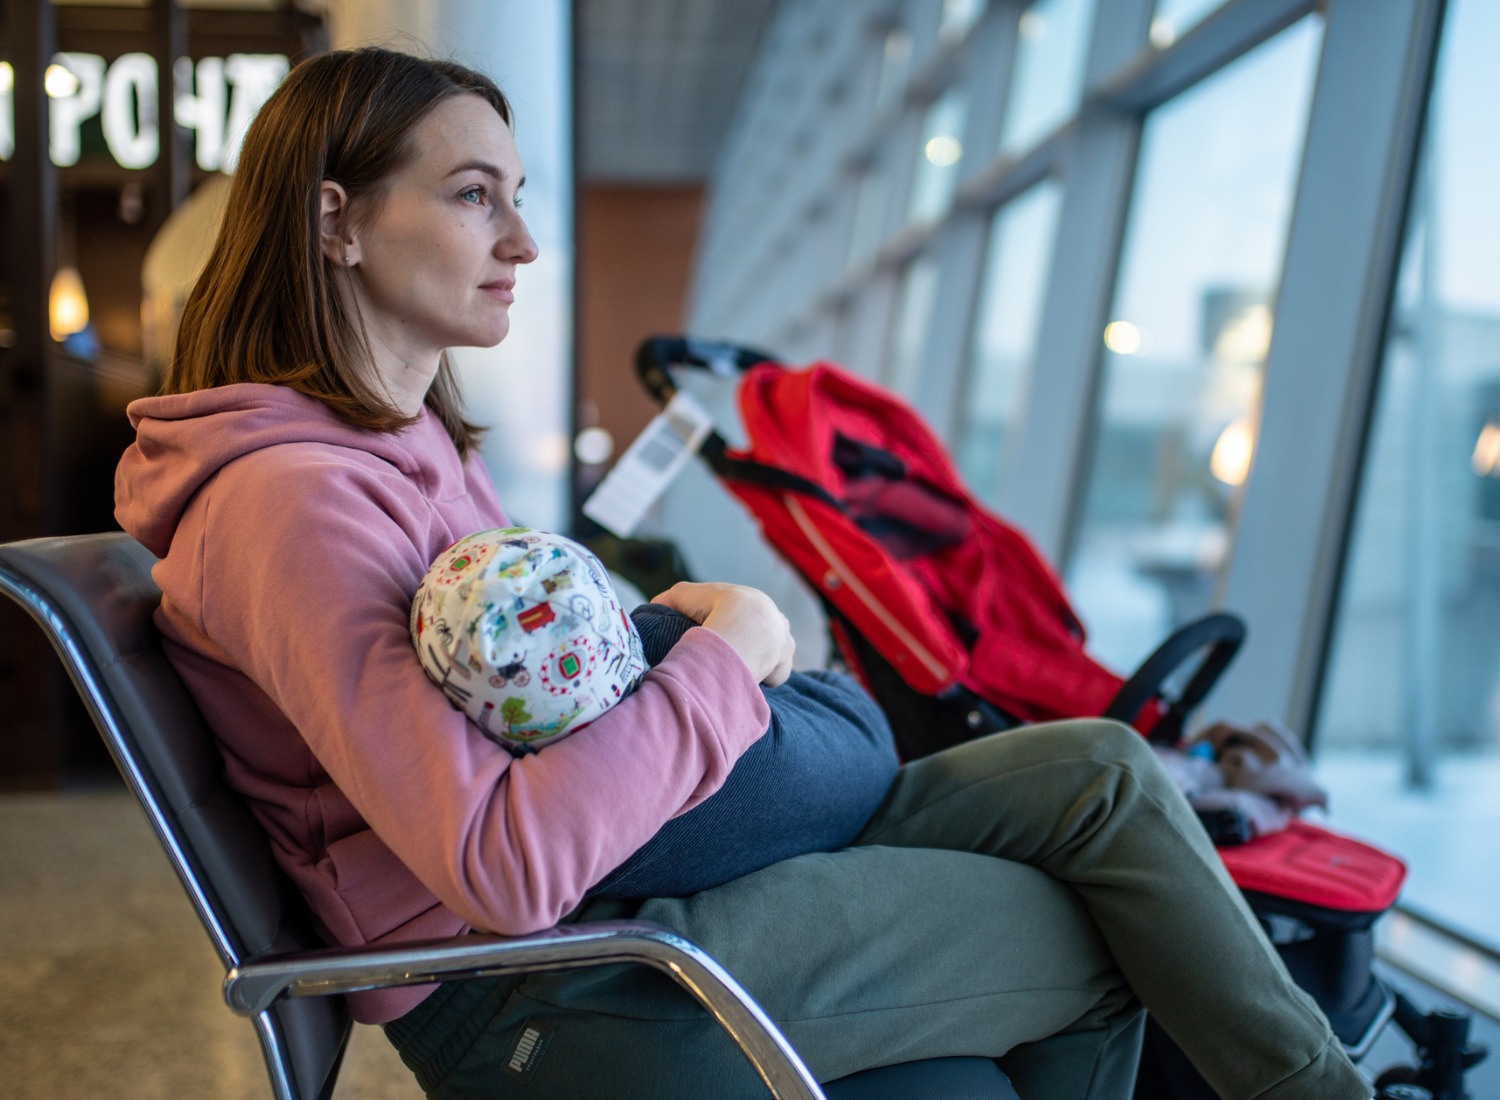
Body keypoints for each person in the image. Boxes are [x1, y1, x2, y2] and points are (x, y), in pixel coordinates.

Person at [112, 46, 1372, 1100]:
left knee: (1095, 766)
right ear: (335, 218)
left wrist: (683, 630)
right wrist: (729, 650)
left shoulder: (404, 445)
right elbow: (501, 862)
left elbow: (551, 695)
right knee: (1088, 933)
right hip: (538, 982)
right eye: (473, 196)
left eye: (518, 194)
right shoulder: (295, 507)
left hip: (616, 877)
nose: (525, 241)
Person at [410, 525, 900, 899]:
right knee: (668, 633)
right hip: (861, 741)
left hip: (847, 744)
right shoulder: (626, 827)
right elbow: (867, 734)